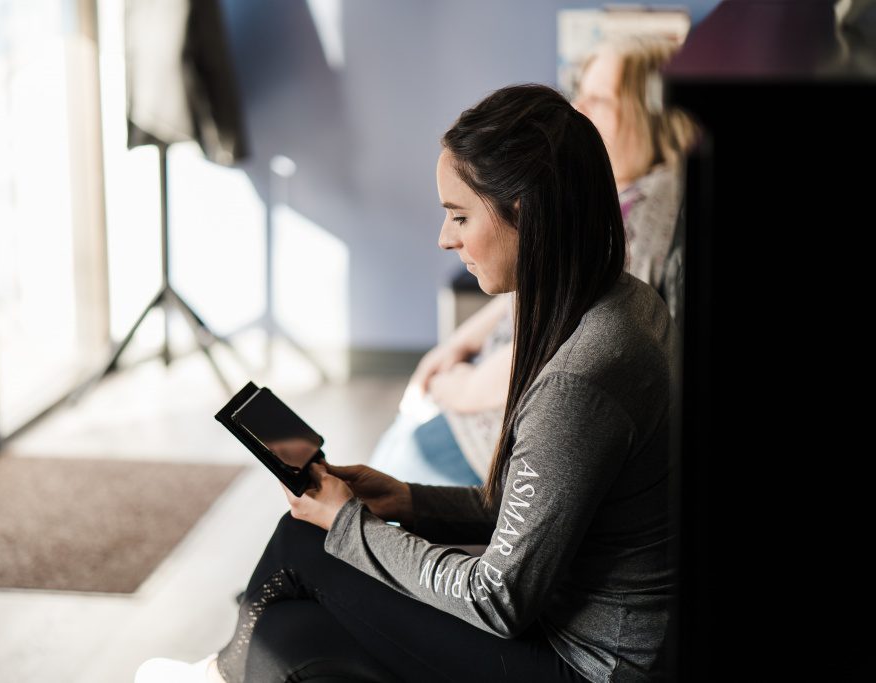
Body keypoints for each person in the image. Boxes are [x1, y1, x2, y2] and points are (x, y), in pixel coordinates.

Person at [136, 83, 677, 683]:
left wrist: (348, 526)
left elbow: (497, 597)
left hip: (583, 666)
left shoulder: (582, 379)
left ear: (526, 210)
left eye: (459, 215)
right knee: (289, 616)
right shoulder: (625, 302)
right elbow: (529, 515)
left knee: (305, 544)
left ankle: (215, 674)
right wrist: (407, 501)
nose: (446, 238)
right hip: (576, 631)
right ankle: (227, 668)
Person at [369, 33, 698, 489]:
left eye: (600, 99)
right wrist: (458, 344)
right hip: (499, 382)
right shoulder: (622, 190)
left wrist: (460, 388)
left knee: (394, 464)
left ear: (650, 114)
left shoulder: (644, 215)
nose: (580, 109)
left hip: (513, 410)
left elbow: (571, 336)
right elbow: (547, 279)